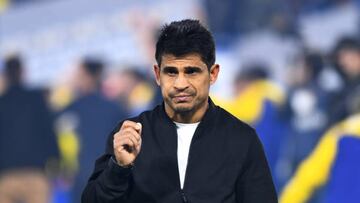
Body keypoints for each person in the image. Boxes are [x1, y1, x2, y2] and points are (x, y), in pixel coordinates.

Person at [82, 19, 277, 203]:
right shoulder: (130, 135)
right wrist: (118, 168)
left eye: (191, 71)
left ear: (213, 74)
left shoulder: (240, 139)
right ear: (158, 75)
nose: (180, 84)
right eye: (171, 72)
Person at [57, 57, 128, 202]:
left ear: (87, 76)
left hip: (83, 177)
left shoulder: (73, 109)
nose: (74, 79)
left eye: (78, 75)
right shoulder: (115, 107)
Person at [0, 54, 59, 203]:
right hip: (35, 173)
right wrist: (56, 161)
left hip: (6, 176)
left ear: (5, 74)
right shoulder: (36, 99)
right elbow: (49, 132)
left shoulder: (2, 103)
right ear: (22, 72)